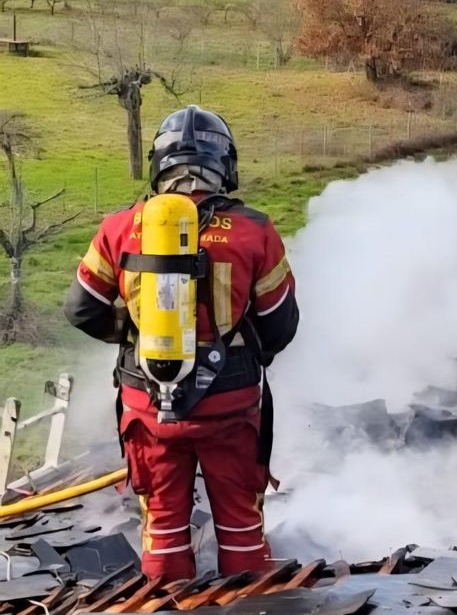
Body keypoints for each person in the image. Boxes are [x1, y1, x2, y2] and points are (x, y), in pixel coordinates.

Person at [64, 106, 299, 581]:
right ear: (224, 165)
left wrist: (137, 337)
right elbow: (280, 325)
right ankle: (249, 606)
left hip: (147, 407)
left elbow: (82, 310)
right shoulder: (255, 230)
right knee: (240, 528)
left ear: (159, 164)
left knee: (164, 529)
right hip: (230, 406)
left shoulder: (119, 227)